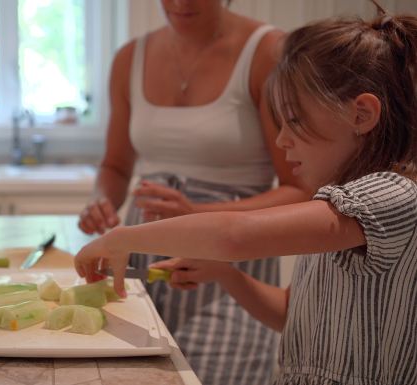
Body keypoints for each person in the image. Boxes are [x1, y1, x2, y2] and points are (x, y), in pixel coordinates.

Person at [75, 4, 417, 384]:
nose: (282, 140)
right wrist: (226, 275)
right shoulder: (334, 203)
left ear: (361, 115)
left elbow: (233, 235)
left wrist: (122, 236)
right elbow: (290, 311)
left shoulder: (392, 197)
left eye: (295, 121)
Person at [78, 1, 308, 383]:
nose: (182, 3)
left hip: (229, 264)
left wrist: (198, 211)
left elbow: (300, 190)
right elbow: (115, 167)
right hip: (142, 260)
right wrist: (101, 200)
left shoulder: (266, 52)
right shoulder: (129, 59)